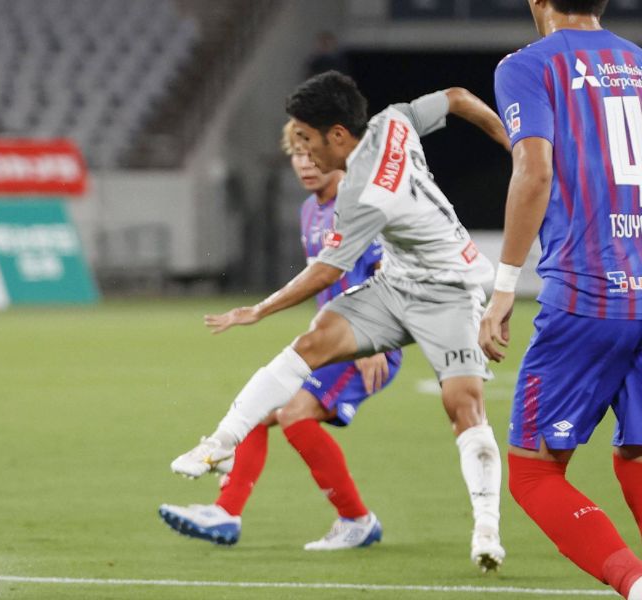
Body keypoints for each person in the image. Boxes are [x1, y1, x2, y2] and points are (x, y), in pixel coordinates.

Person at [169, 72, 511, 571]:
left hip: (450, 292)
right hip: (396, 284)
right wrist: (511, 142)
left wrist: (259, 310)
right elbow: (458, 98)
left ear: (337, 136)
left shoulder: (361, 196)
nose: (303, 153)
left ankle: (486, 528)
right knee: (313, 342)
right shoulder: (393, 121)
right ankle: (220, 443)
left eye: (307, 140)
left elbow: (326, 271)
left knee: (463, 405)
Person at [158, 120, 403, 550]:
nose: (306, 165)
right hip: (328, 342)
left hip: (365, 343)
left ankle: (356, 520)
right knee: (262, 411)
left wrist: (374, 338)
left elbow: (389, 271)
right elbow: (323, 281)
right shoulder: (310, 211)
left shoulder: (360, 201)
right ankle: (226, 514)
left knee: (293, 415)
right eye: (297, 154)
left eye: (313, 154)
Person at [482, 0, 642, 596]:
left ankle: (633, 581)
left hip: (588, 293)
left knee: (532, 471)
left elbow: (535, 170)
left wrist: (503, 289)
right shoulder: (639, 64)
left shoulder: (528, 65)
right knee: (635, 453)